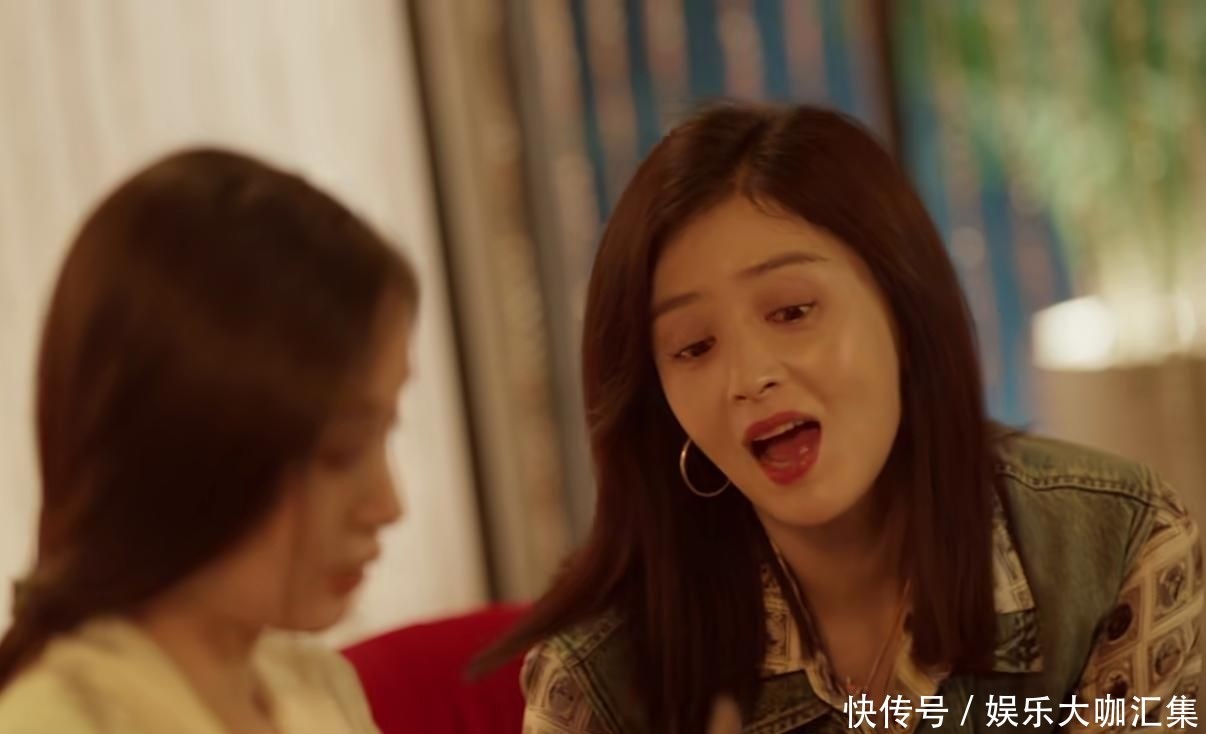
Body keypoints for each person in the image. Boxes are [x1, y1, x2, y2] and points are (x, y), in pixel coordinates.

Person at [475, 104, 1203, 733]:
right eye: (693, 347)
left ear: (903, 311)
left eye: (793, 311)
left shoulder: (1116, 547)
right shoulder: (598, 678)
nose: (750, 377)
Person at [0, 148, 417, 733]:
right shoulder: (61, 723)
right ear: (190, 445)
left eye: (387, 430)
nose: (387, 505)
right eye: (341, 450)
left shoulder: (316, 687)